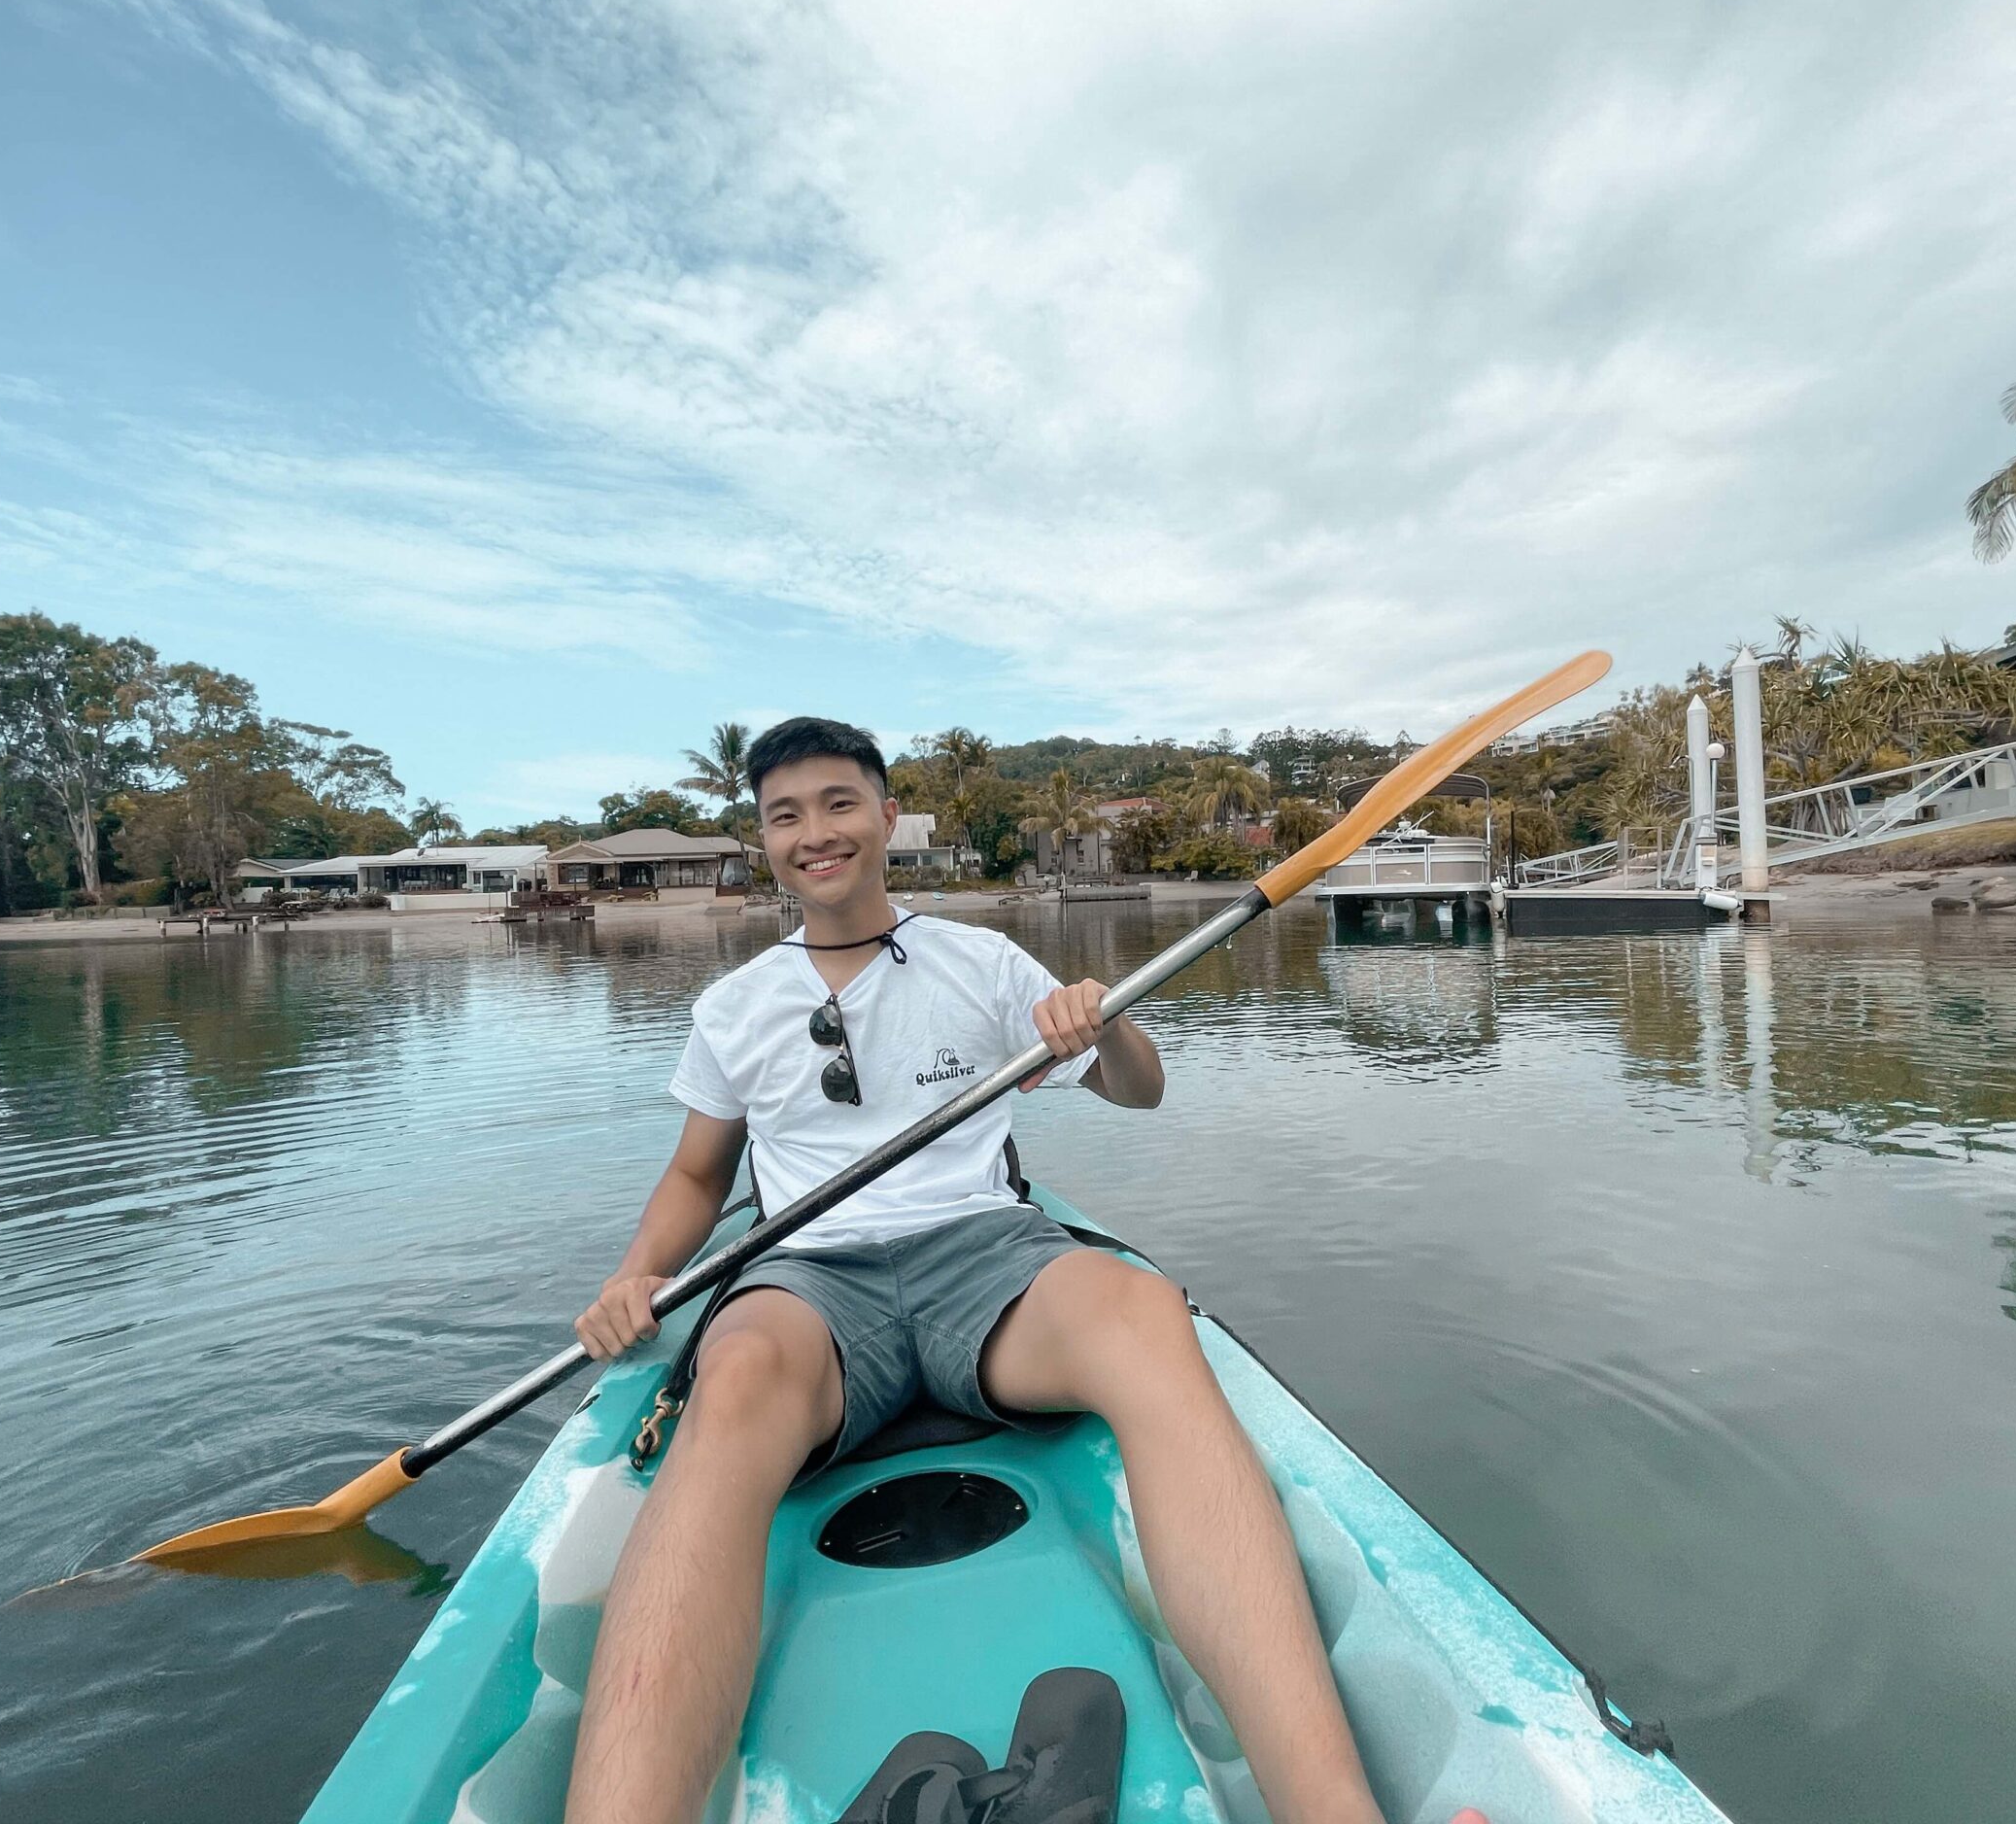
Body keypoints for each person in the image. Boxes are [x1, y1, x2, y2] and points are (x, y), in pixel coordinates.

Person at [564, 715, 1394, 1824]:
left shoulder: (982, 960)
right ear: (763, 838)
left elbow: (1137, 1091)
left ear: (886, 815)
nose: (816, 832)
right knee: (739, 1376)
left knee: (1145, 1314)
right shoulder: (735, 1005)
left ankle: (1332, 1807)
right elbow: (695, 1182)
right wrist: (635, 1276)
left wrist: (1099, 1023)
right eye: (786, 814)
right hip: (809, 1275)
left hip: (983, 1260)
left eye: (838, 802)